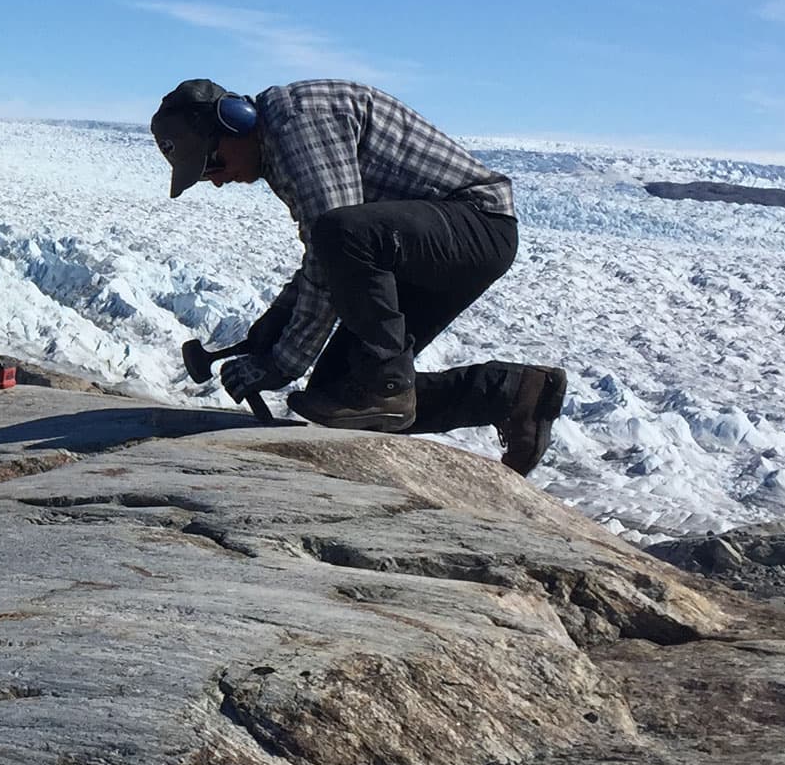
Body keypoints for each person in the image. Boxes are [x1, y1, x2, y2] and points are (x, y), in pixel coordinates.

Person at [150, 76, 567, 475]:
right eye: (205, 176)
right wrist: (275, 324)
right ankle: (514, 394)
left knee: (375, 366)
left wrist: (283, 362)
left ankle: (388, 379)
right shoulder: (274, 149)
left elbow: (338, 238)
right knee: (338, 395)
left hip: (475, 225)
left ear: (236, 119)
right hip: (415, 251)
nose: (218, 180)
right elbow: (330, 254)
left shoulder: (296, 125)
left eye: (213, 163)